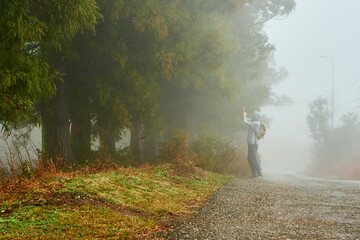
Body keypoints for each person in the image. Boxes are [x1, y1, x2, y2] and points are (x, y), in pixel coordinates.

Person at [242, 107, 263, 178]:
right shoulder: (254, 121)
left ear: (256, 116)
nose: (251, 115)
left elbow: (245, 121)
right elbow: (246, 120)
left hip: (253, 144)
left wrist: (244, 115)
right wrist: (243, 113)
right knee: (250, 159)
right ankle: (254, 174)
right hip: (251, 144)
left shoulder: (256, 123)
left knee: (254, 159)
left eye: (253, 114)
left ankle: (260, 174)